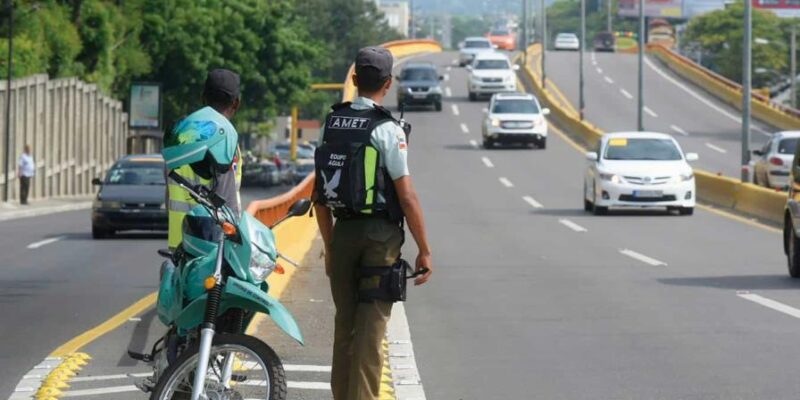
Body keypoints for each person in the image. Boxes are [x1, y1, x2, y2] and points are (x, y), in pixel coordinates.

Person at [313, 46, 433, 400]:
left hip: (343, 234)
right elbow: (407, 197)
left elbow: (320, 195)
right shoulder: (387, 129)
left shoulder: (331, 123)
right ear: (388, 83)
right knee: (371, 333)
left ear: (354, 79)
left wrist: (330, 246)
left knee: (345, 329)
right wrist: (424, 250)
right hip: (380, 238)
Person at [165, 69, 244, 251]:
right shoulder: (225, 142)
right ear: (236, 103)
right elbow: (228, 202)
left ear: (202, 97)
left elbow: (169, 192)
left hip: (179, 245)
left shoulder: (179, 137)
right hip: (212, 248)